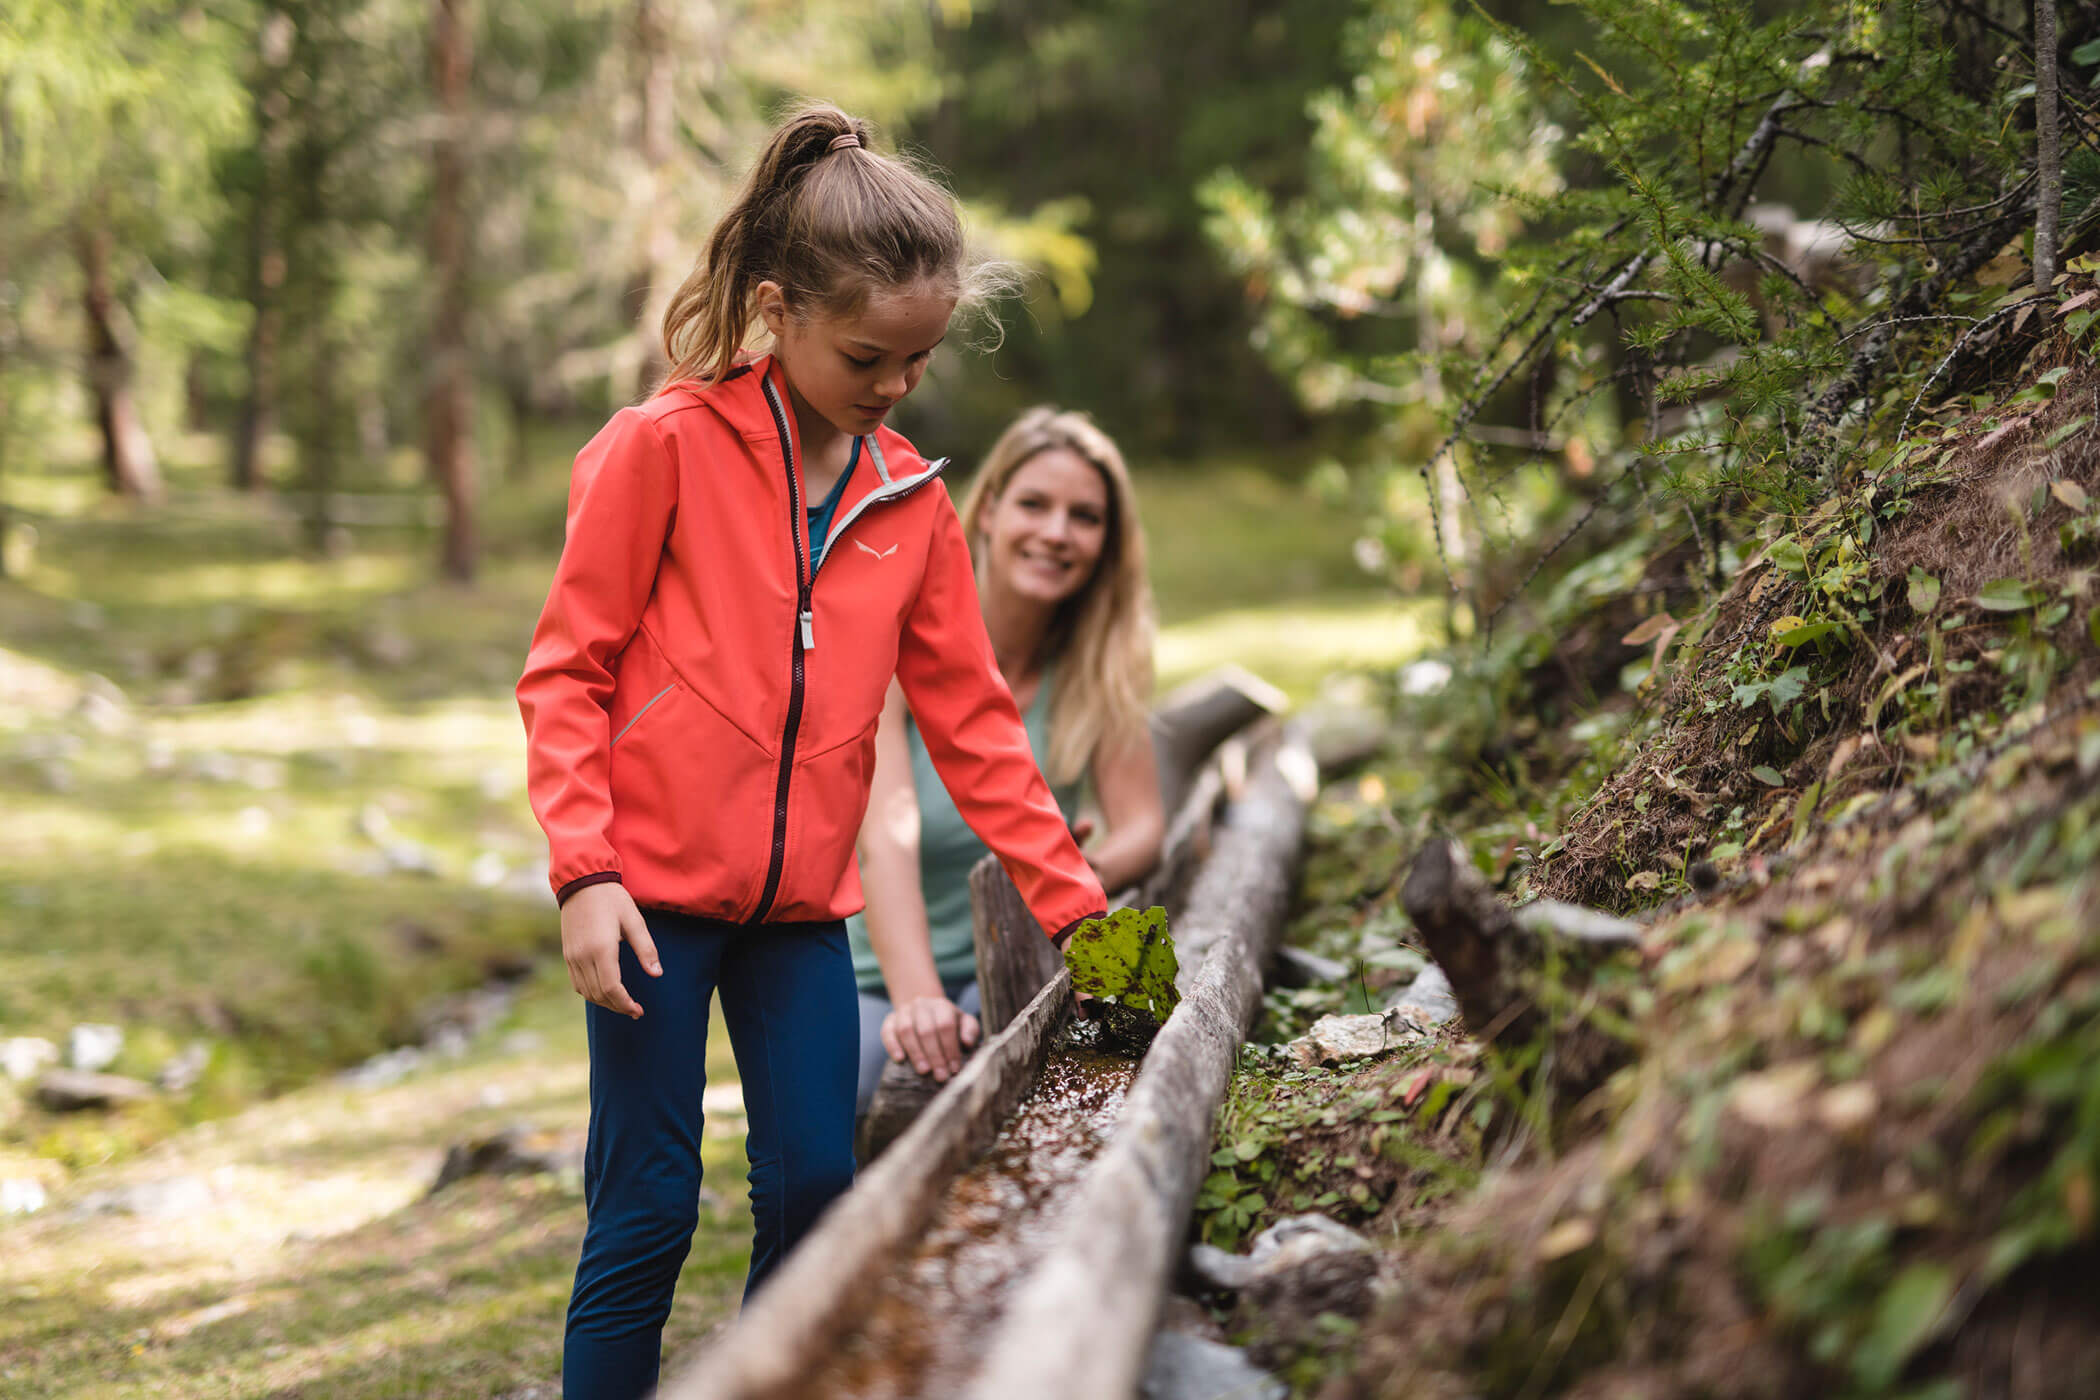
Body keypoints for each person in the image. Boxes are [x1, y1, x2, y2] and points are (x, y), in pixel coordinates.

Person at [515, 104, 1107, 1400]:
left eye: (918, 358)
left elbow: (981, 733)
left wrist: (1085, 915)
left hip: (799, 920)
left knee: (813, 1194)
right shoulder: (659, 451)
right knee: (648, 1209)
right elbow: (566, 673)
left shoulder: (910, 505)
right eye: (867, 355)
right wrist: (585, 873)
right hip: (649, 907)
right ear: (775, 309)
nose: (895, 385)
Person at [850, 407, 1164, 1111]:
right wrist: (919, 1000)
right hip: (881, 972)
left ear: (1107, 541)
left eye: (1084, 516)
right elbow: (885, 842)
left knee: (1095, 1068)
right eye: (1034, 504)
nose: (1056, 532)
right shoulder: (899, 650)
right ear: (986, 511)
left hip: (1021, 954)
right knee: (877, 1090)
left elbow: (1143, 823)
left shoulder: (1097, 668)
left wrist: (1078, 870)